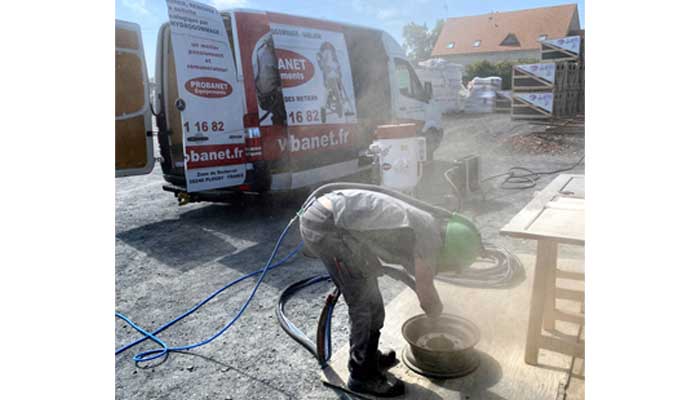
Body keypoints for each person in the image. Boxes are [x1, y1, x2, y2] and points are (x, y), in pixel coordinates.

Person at [299, 189, 482, 397]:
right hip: (328, 227)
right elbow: (426, 293)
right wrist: (436, 316)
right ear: (453, 249)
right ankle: (361, 375)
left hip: (342, 226)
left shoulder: (429, 225)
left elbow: (414, 272)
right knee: (363, 305)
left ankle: (368, 357)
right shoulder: (429, 237)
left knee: (372, 299)